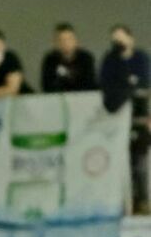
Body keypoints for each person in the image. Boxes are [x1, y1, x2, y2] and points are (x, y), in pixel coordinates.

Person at [100, 24, 151, 212]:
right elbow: (107, 85)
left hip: (139, 118)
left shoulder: (141, 58)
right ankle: (121, 202)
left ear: (131, 39)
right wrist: (128, 84)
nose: (119, 44)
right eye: (115, 40)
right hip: (116, 118)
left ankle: (142, 200)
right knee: (120, 162)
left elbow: (143, 85)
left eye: (122, 39)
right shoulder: (110, 60)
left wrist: (128, 86)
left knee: (140, 161)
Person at [40, 24, 96, 94]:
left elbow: (90, 84)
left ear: (75, 40)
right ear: (55, 43)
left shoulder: (85, 58)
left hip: (82, 98)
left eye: (69, 39)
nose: (66, 43)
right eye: (61, 40)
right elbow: (47, 85)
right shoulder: (50, 60)